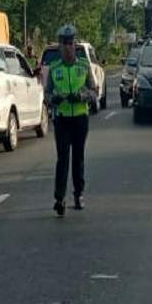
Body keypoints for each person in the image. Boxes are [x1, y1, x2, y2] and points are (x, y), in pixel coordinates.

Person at [46, 24, 98, 217]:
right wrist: (54, 99)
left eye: (70, 43)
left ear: (75, 45)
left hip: (80, 118)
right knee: (62, 159)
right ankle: (59, 198)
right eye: (64, 43)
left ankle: (79, 194)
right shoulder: (54, 68)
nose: (67, 47)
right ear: (59, 46)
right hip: (62, 119)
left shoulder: (83, 66)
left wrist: (83, 96)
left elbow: (94, 91)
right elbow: (46, 94)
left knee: (78, 157)